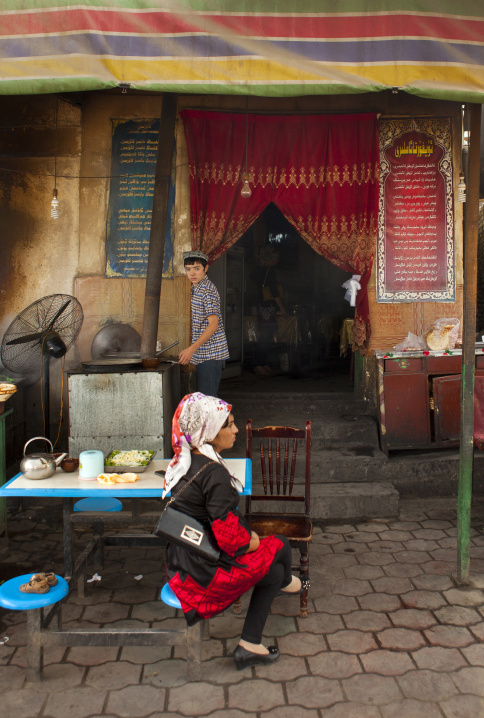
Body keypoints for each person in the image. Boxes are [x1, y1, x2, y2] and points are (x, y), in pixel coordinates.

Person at [162, 392, 302, 670]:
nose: (236, 430)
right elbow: (230, 539)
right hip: (203, 576)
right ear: (210, 432)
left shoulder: (183, 461)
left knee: (272, 572)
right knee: (281, 545)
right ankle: (292, 583)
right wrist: (252, 541)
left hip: (181, 562)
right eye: (229, 425)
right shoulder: (214, 473)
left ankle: (250, 644)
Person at [178, 250, 229, 397]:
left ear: (206, 269)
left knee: (208, 400)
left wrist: (191, 349)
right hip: (203, 353)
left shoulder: (207, 290)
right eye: (188, 269)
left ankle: (218, 421)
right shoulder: (196, 287)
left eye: (197, 268)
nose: (192, 273)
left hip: (211, 354)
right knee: (204, 399)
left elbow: (213, 324)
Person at [250, 245, 288, 376]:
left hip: (262, 307)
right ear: (270, 258)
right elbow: (274, 291)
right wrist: (282, 308)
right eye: (275, 257)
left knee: (266, 337)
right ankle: (258, 365)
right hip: (268, 308)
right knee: (265, 338)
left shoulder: (257, 271)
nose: (277, 259)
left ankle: (263, 363)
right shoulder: (269, 271)